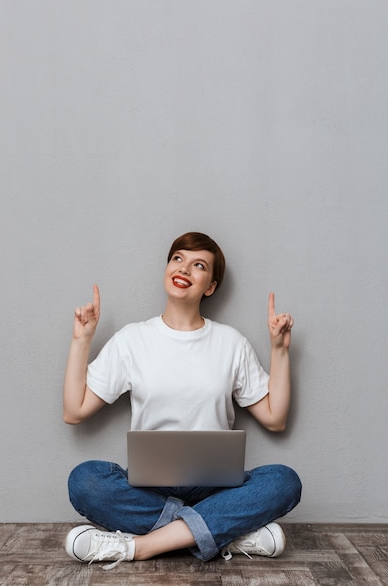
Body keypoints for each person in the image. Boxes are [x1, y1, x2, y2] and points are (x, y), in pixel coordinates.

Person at [63, 232, 301, 569]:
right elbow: (74, 411)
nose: (185, 268)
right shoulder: (132, 339)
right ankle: (225, 533)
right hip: (150, 489)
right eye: (178, 259)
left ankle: (139, 547)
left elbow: (275, 418)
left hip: (215, 488)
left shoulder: (230, 343)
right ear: (167, 269)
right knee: (84, 480)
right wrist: (80, 340)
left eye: (198, 265)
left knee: (283, 481)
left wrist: (279, 349)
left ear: (210, 287)